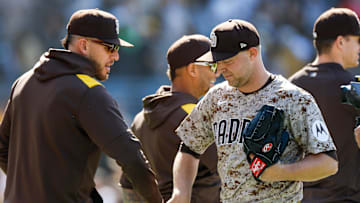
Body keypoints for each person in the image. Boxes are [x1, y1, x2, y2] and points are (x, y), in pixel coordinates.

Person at [0, 9, 163, 203]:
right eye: (110, 47)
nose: (116, 56)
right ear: (84, 45)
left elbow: (2, 149)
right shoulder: (88, 92)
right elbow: (132, 158)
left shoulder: (23, 82)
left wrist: (34, 188)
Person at [167, 19, 338, 203]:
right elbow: (189, 148)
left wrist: (281, 172)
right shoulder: (216, 97)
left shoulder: (293, 99)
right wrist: (181, 192)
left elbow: (328, 163)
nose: (221, 69)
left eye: (228, 61)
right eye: (217, 62)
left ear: (252, 53)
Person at [119, 34, 221, 203]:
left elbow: (129, 186)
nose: (217, 72)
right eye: (212, 65)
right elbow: (233, 169)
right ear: (192, 69)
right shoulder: (193, 116)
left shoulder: (140, 119)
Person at [288, 8, 360, 202]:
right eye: (357, 41)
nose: (359, 48)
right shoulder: (355, 87)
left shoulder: (291, 86)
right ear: (341, 42)